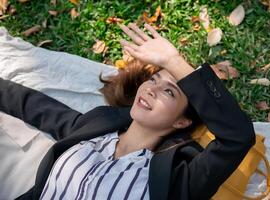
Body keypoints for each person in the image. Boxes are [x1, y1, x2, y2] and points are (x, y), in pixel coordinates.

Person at [0, 22, 255, 200]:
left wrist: (173, 61)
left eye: (169, 92)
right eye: (154, 80)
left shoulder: (178, 179)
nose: (152, 89)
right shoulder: (96, 126)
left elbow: (237, 136)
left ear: (181, 122)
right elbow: (32, 105)